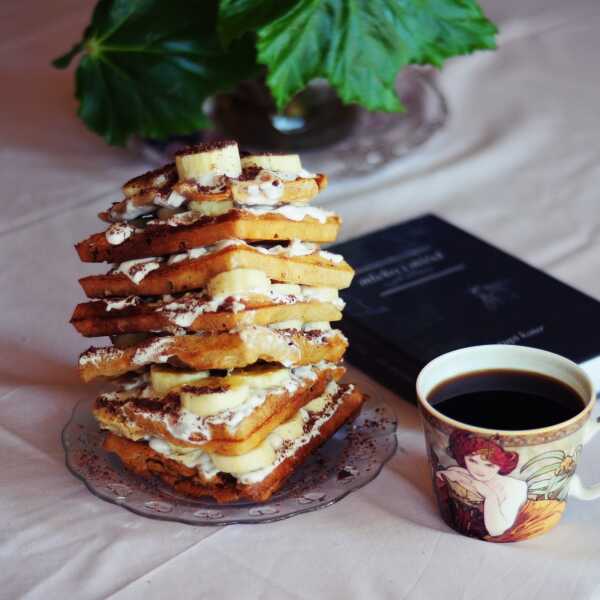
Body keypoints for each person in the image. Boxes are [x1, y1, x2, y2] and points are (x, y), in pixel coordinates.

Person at [436, 431, 527, 538]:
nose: (479, 469)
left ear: (502, 465)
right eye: (472, 461)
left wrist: (490, 495)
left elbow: (496, 530)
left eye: (489, 465)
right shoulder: (460, 473)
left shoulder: (514, 488)